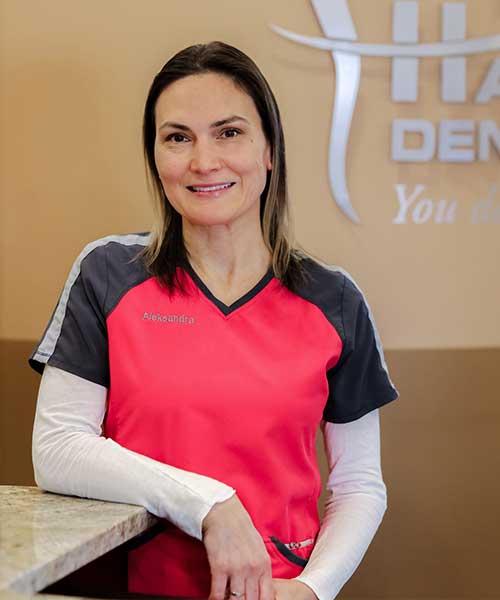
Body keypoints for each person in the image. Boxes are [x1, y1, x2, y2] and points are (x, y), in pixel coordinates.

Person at [29, 41, 399, 600]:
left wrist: (311, 590)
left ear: (269, 150)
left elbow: (358, 485)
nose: (203, 162)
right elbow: (58, 448)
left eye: (229, 132)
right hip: (128, 585)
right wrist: (210, 504)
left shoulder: (335, 300)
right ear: (155, 158)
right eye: (178, 138)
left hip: (273, 589)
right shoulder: (106, 274)